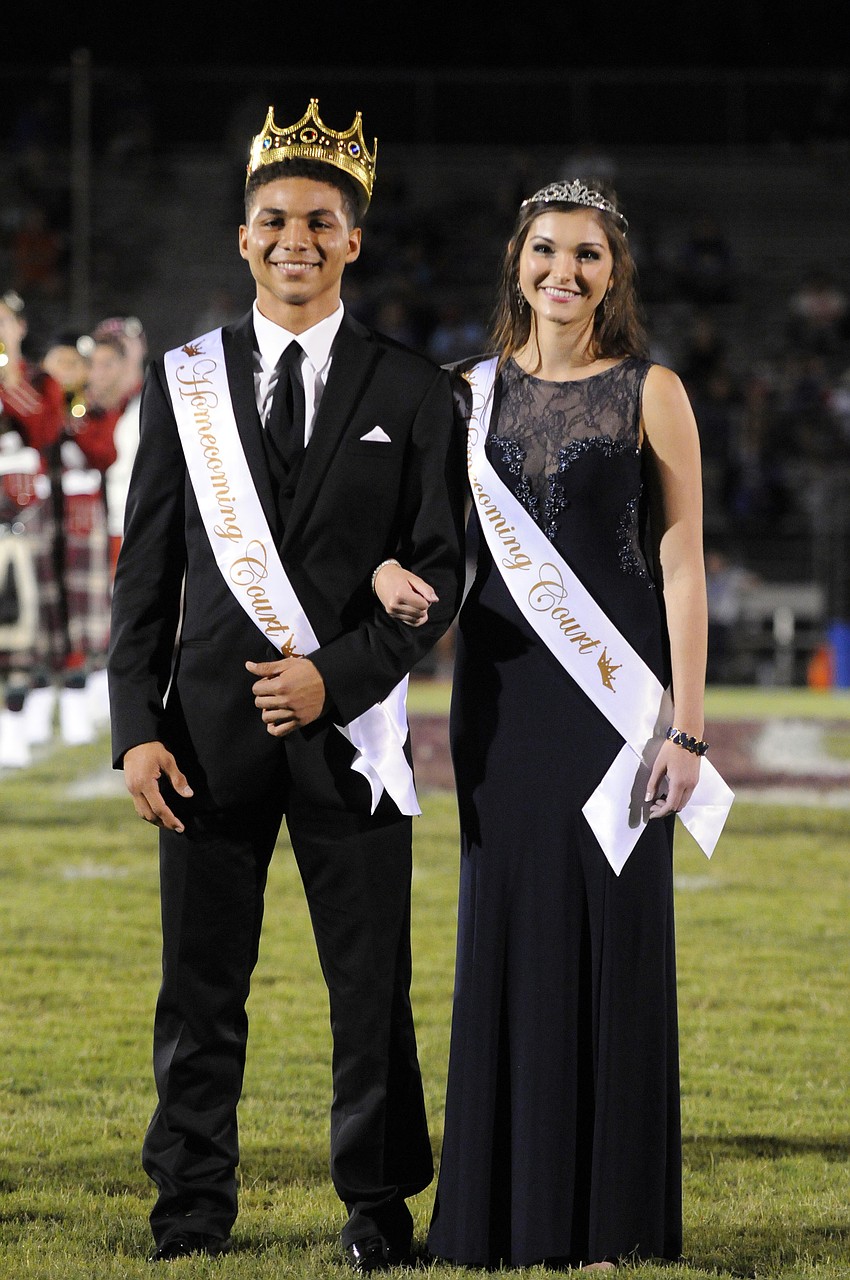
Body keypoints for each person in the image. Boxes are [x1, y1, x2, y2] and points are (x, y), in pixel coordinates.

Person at [107, 99, 465, 1268]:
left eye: (318, 219)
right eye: (273, 219)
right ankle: (190, 1211)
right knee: (198, 996)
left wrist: (334, 679)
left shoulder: (414, 389)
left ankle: (377, 1210)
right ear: (243, 236)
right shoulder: (183, 384)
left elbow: (438, 576)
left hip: (349, 737)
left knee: (370, 996)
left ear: (353, 239)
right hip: (203, 739)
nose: (294, 237)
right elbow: (143, 576)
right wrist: (131, 731)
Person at [374, 178, 732, 1270]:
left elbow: (680, 561)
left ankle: (609, 1217)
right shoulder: (463, 394)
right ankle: (500, 1214)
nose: (562, 272)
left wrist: (688, 727)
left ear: (613, 274)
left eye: (585, 254)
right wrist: (387, 566)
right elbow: (420, 539)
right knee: (508, 926)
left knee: (616, 935)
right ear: (516, 263)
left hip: (619, 706)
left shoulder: (650, 390)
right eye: (544, 251)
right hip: (503, 700)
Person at [0, 288, 64, 766]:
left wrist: (7, 380)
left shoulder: (42, 381)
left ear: (20, 327)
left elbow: (43, 432)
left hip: (25, 520)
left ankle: (16, 730)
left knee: (24, 632)